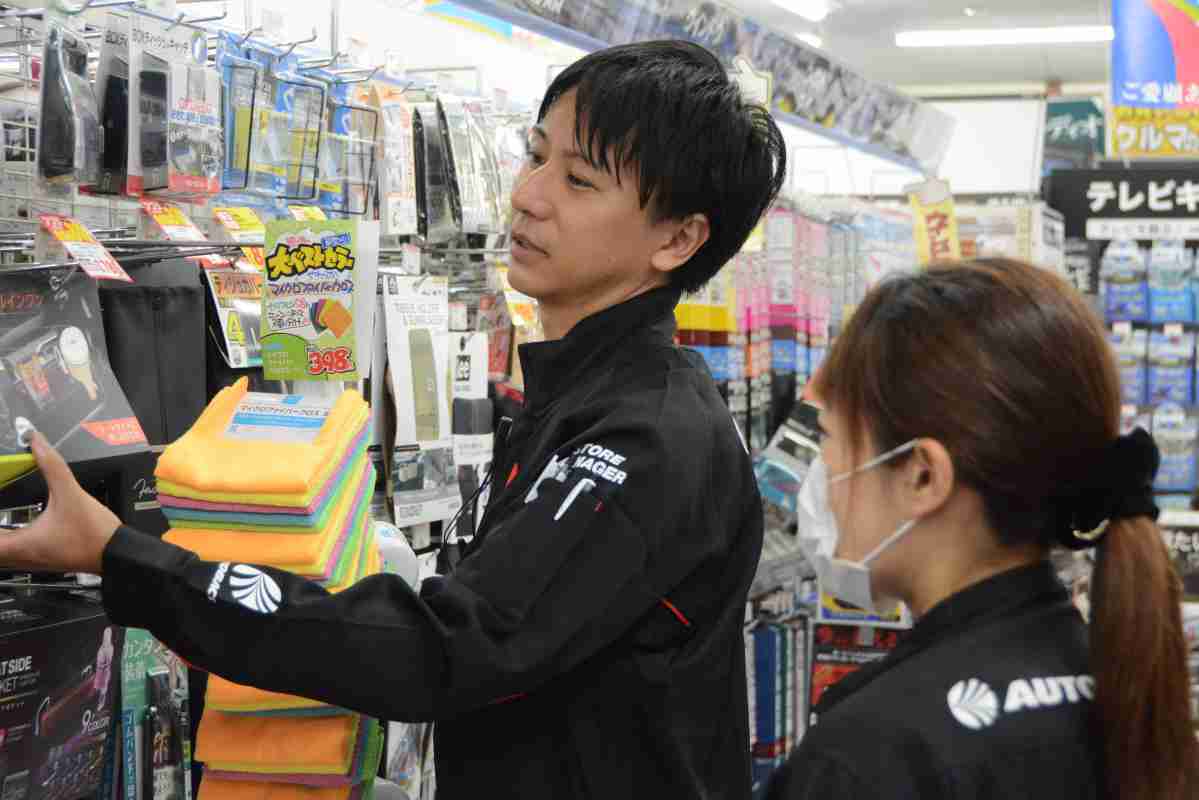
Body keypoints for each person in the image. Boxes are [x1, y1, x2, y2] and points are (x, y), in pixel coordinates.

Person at [0, 40, 784, 800]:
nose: (528, 194)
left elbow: (442, 649)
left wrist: (127, 559)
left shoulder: (645, 441)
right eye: (534, 154)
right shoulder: (582, 400)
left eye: (578, 179)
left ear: (677, 238)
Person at [768, 258, 1198, 800]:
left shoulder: (865, 758)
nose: (819, 475)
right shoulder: (1127, 687)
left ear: (923, 475)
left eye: (830, 441)